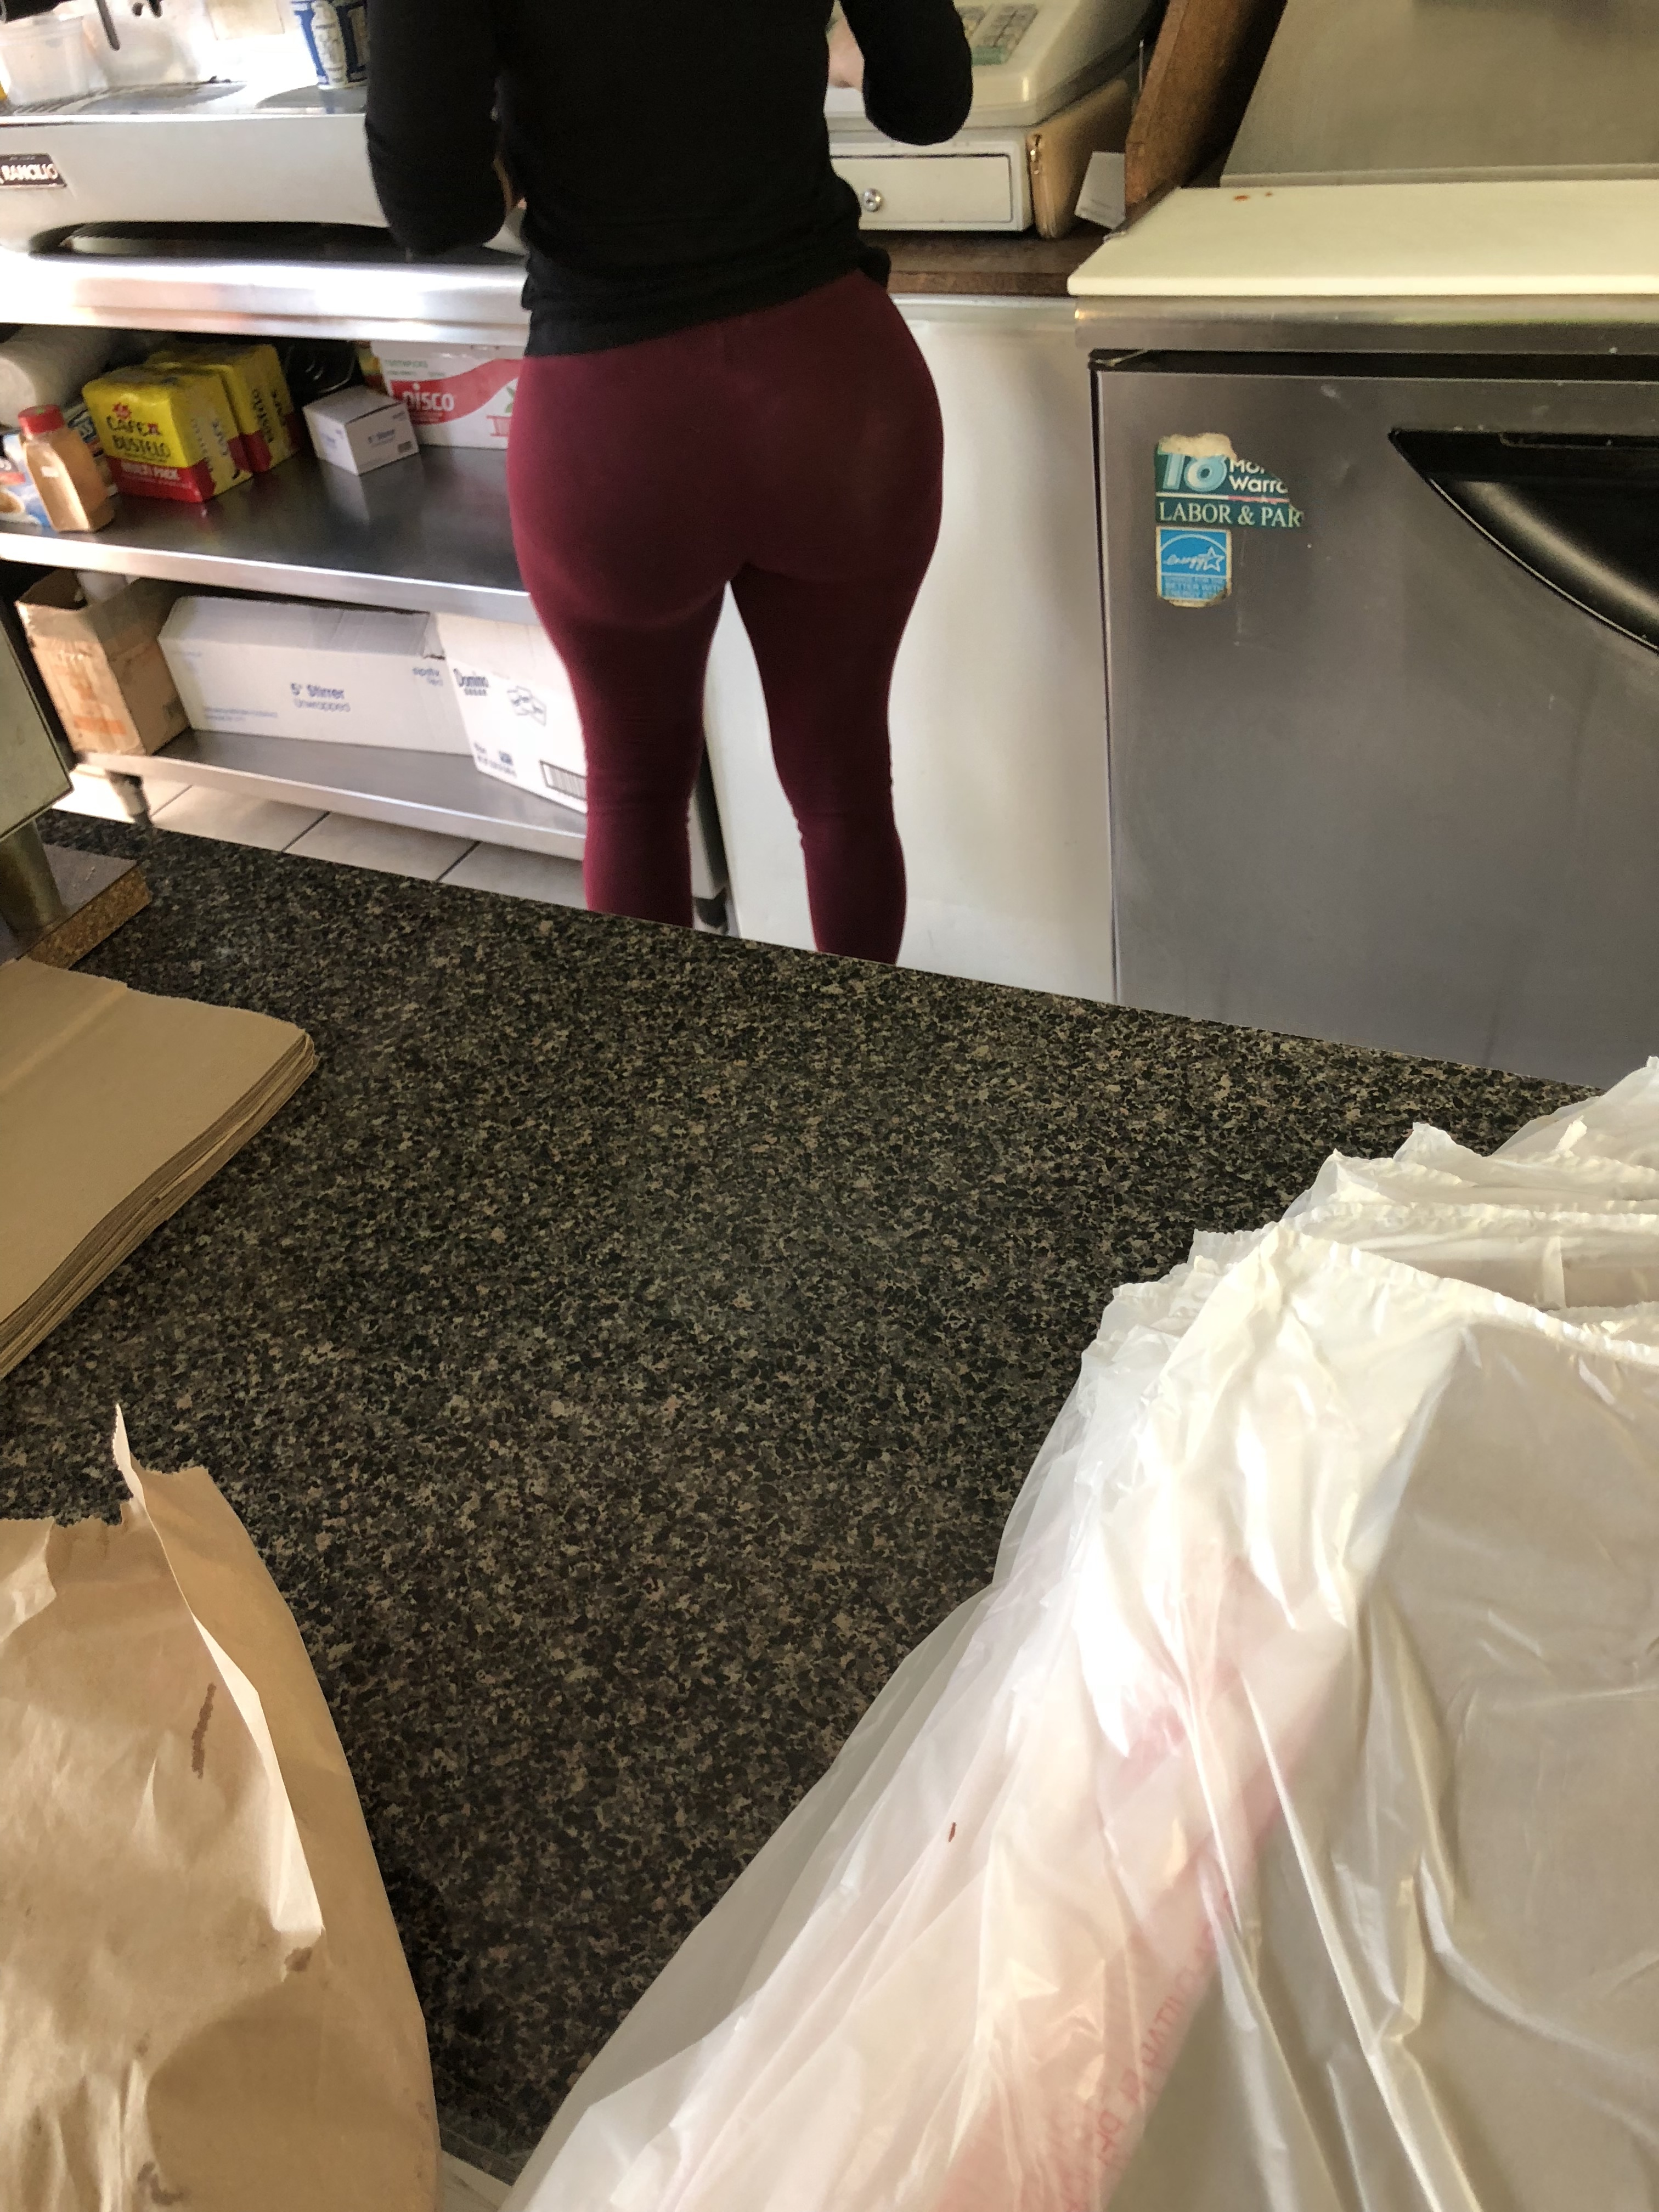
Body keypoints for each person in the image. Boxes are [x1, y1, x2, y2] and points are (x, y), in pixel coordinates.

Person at [366, 1, 972, 963]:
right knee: (846, 786)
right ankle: (860, 1053)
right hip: (835, 391)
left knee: (635, 793)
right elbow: (929, 100)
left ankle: (658, 1061)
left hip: (617, 423)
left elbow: (434, 206)